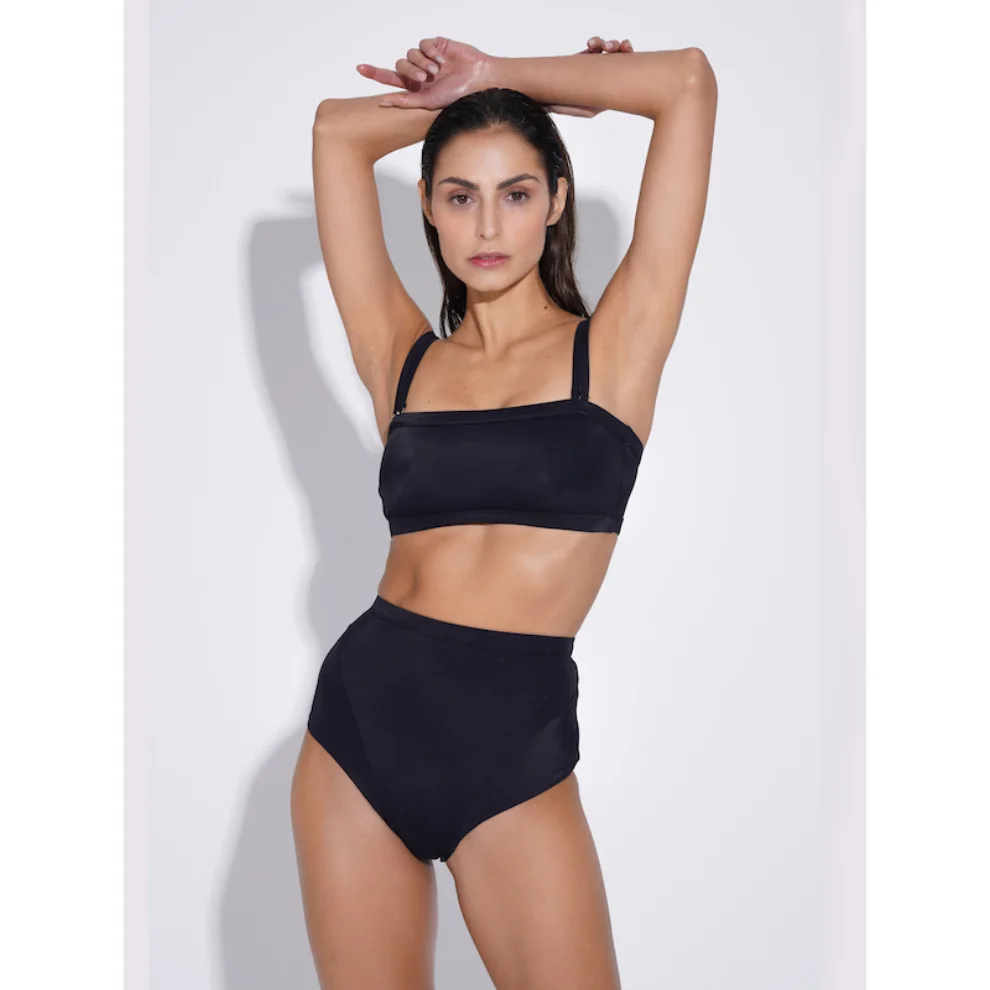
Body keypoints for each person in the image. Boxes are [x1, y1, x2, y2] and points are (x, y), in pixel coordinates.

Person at [290, 33, 717, 990]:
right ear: (428, 207)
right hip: (357, 735)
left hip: (511, 753)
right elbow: (335, 134)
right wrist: (489, 107)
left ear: (557, 200)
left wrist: (501, 81)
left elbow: (685, 83)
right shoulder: (402, 356)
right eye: (460, 195)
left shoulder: (615, 348)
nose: (487, 223)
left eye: (516, 193)